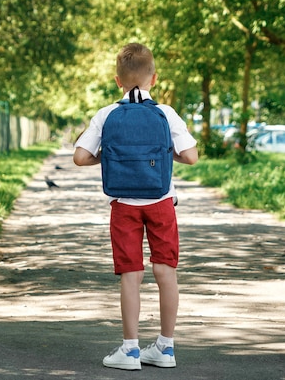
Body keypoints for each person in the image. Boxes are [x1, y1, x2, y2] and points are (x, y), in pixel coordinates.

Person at [73, 43, 198, 371]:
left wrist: (109, 157)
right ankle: (165, 348)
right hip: (161, 203)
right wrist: (162, 153)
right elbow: (191, 156)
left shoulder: (107, 114)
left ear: (118, 81)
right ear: (153, 79)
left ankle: (130, 351)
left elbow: (80, 157)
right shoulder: (166, 113)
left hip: (124, 204)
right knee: (165, 271)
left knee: (131, 274)